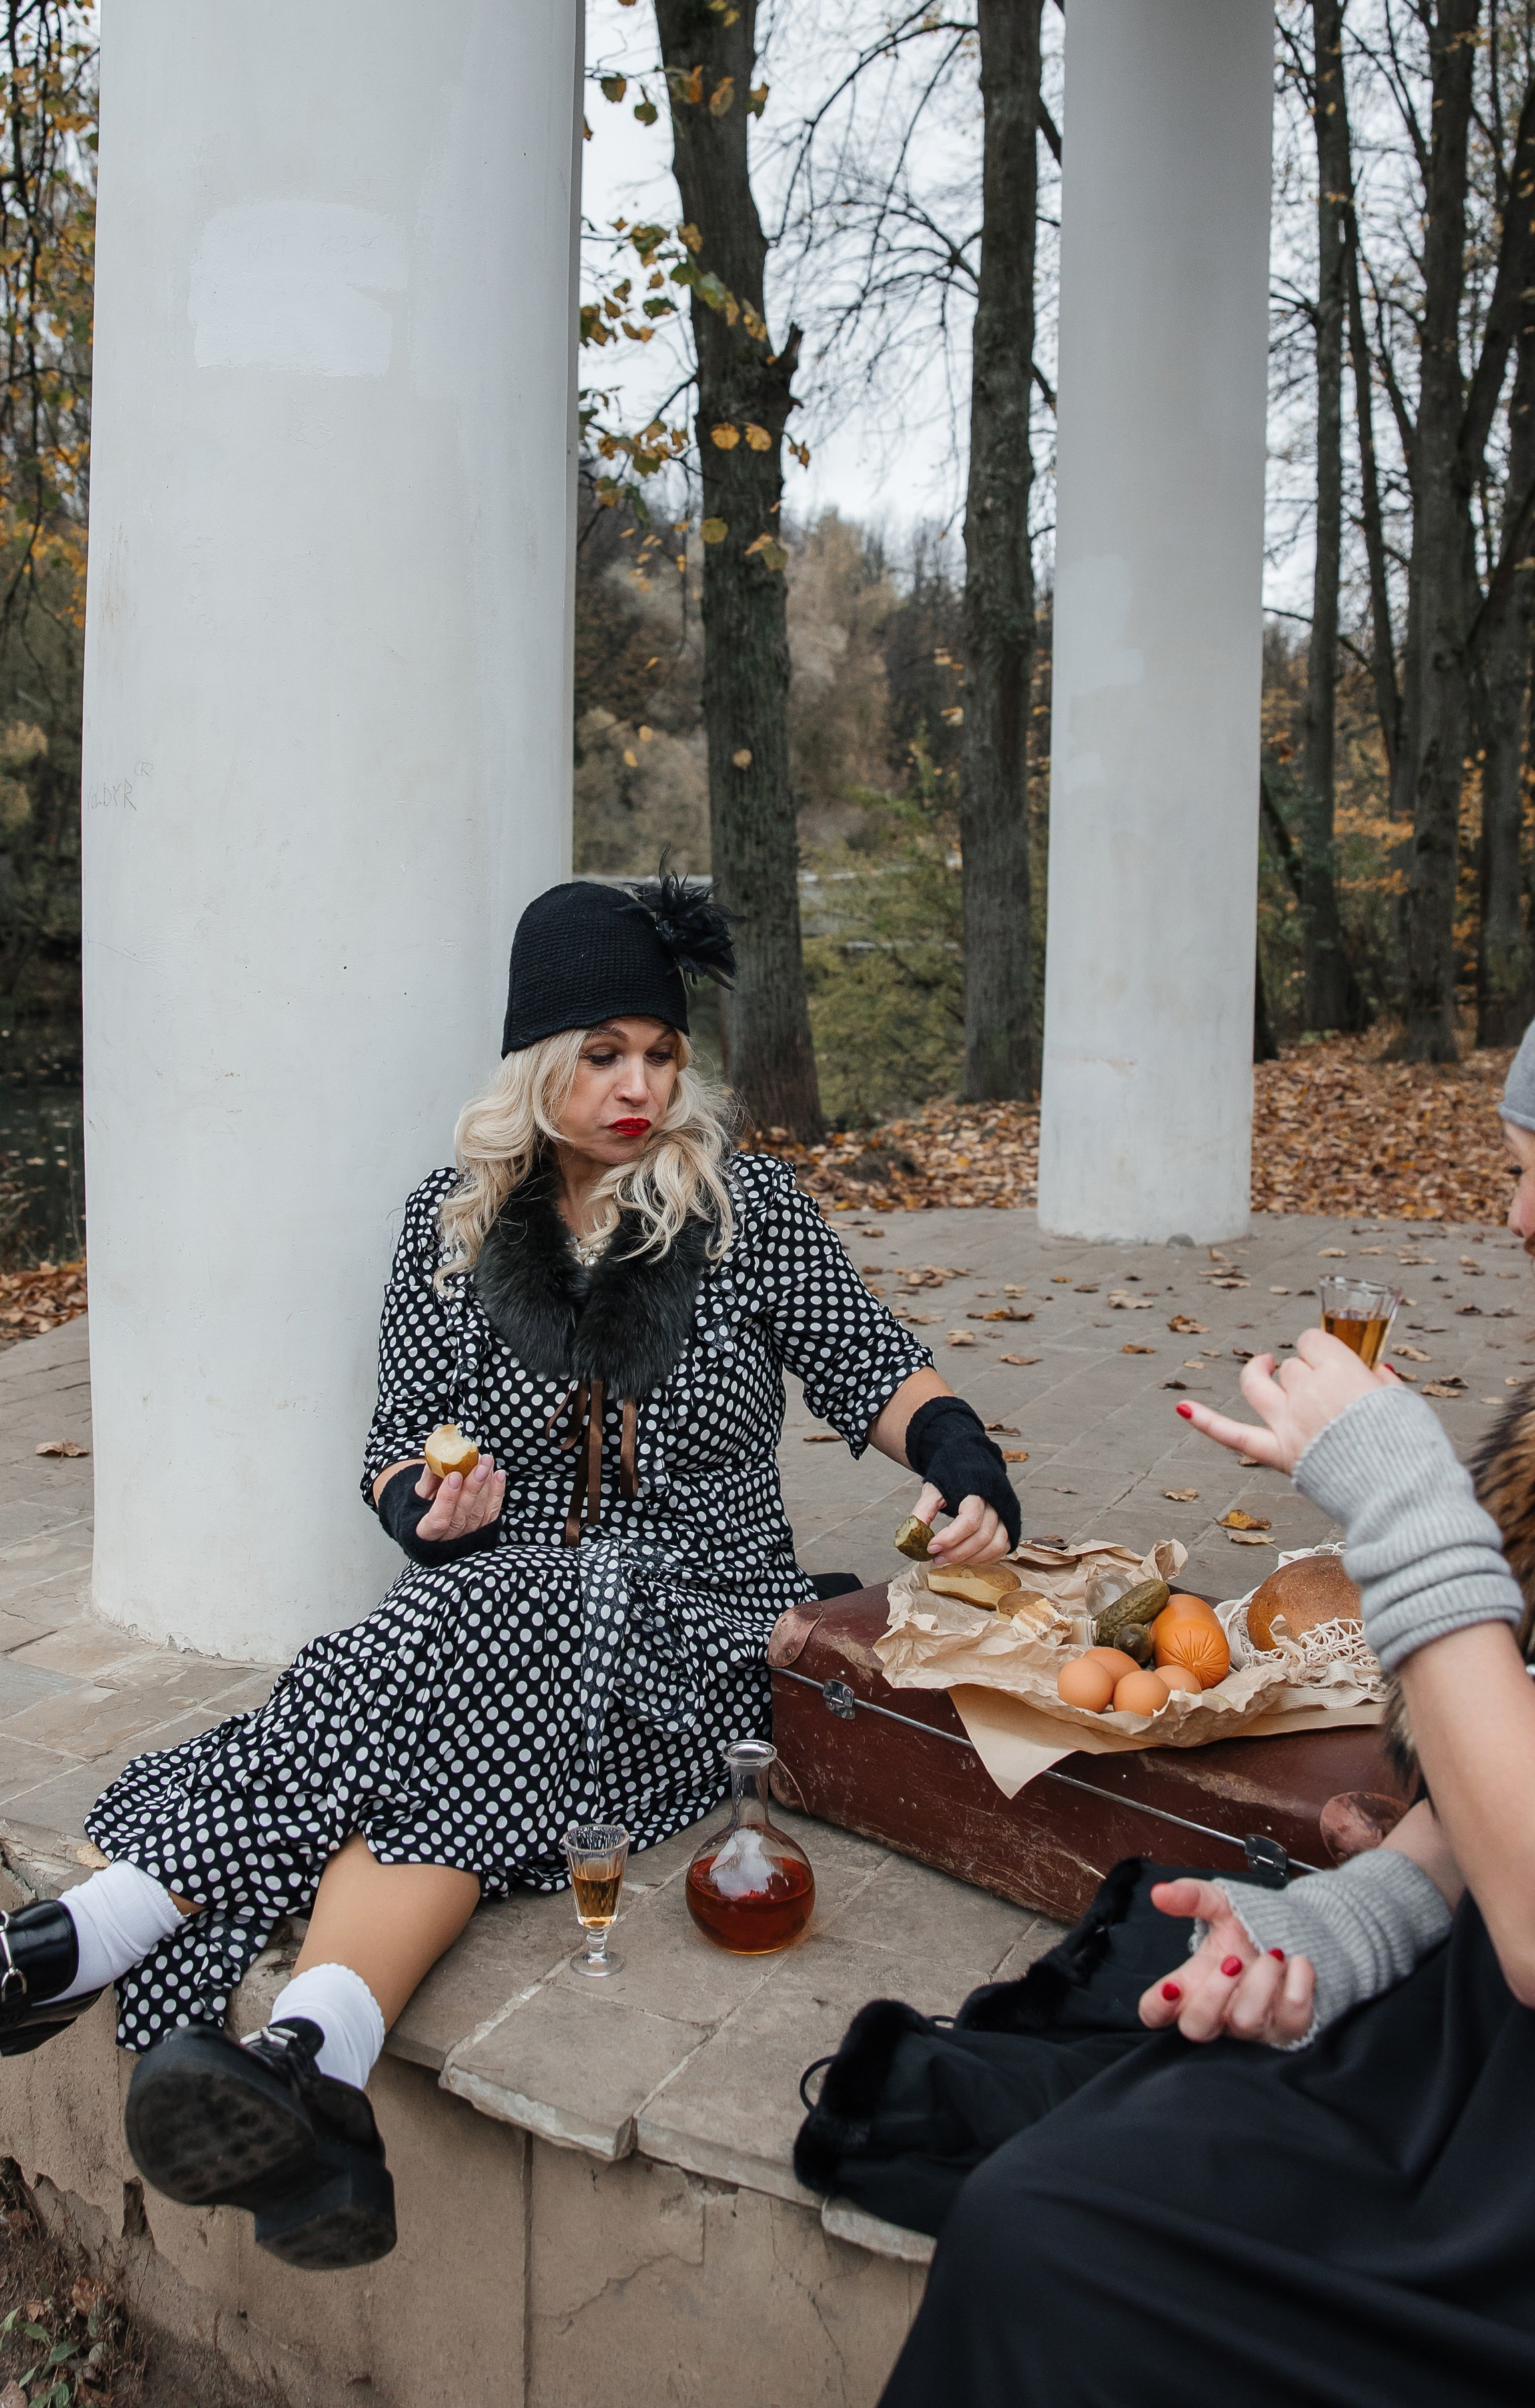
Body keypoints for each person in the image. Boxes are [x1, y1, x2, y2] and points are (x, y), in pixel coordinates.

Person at [0, 876, 1023, 2271]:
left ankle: (86, 1932)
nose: (639, 1085)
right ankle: (313, 2060)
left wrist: (965, 1457)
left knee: (445, 1652)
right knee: (480, 1636)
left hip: (704, 1623)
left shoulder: (748, 1210)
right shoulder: (452, 1222)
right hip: (496, 1614)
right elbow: (390, 1459)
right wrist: (433, 1505)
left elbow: (874, 1365)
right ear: (539, 1057)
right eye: (603, 1052)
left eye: (660, 1052)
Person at [871, 1020, 1535, 2408]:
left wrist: (1411, 1504)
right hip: (1458, 2038)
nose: (1518, 1220)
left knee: (1072, 2254)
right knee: (1037, 2192)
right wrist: (1341, 1929)